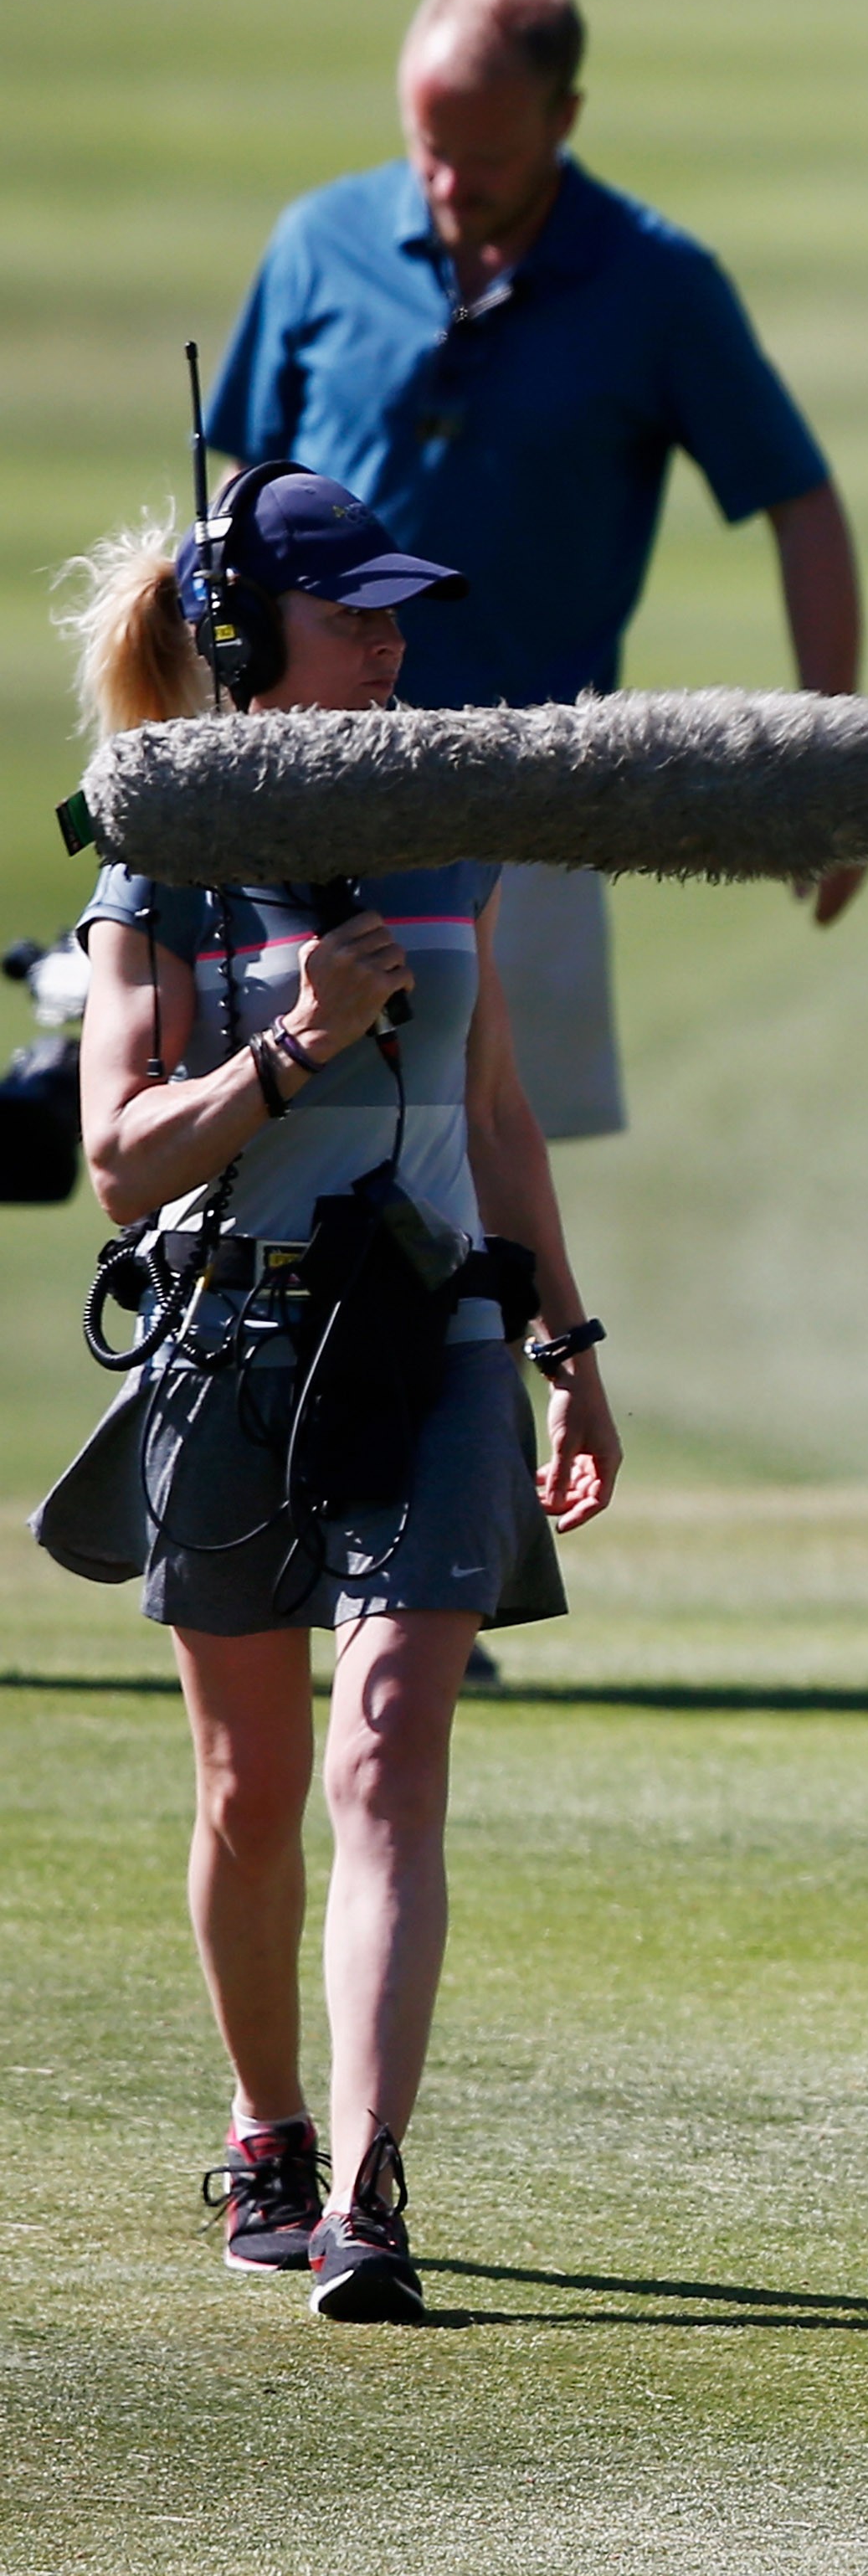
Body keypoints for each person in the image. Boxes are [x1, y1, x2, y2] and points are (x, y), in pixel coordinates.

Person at [31, 472, 622, 2323]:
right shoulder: (158, 864)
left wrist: (572, 1352)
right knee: (251, 1779)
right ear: (238, 635)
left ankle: (367, 2193)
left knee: (385, 1745)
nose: (387, 640)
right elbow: (119, 1159)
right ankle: (267, 2126)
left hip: (435, 1342)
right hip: (235, 1339)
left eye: (394, 613)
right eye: (350, 612)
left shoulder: (455, 838)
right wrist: (296, 1041)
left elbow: (500, 1116)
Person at [204, 0, 864, 1147]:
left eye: (488, 159)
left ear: (564, 121)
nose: (449, 186)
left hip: (530, 790)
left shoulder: (658, 284)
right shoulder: (320, 241)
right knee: (280, 1123)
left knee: (498, 1148)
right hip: (299, 776)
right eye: (427, 148)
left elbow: (800, 501)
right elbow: (231, 501)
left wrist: (820, 759)